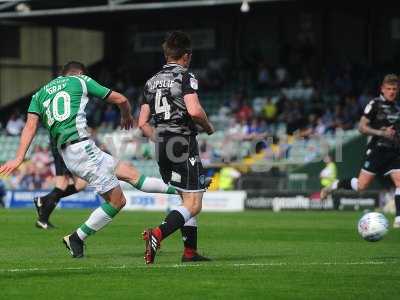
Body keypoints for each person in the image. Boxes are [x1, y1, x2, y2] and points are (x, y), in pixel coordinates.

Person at [0, 61, 178, 258]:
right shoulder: (80, 80)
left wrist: (18, 158)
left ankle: (182, 189)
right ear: (79, 73)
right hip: (82, 149)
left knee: (132, 175)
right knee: (117, 201)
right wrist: (126, 115)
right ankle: (77, 237)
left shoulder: (39, 94)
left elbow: (30, 127)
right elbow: (121, 99)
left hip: (71, 152)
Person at [138, 31, 215, 264]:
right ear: (186, 56)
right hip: (182, 142)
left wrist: (160, 139)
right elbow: (194, 111)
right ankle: (157, 234)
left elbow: (142, 123)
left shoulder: (150, 81)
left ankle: (189, 253)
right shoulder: (185, 76)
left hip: (163, 145)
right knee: (194, 204)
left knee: (186, 197)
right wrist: (208, 126)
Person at [320, 74, 400, 228]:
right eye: (388, 89)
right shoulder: (374, 104)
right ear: (382, 89)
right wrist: (381, 133)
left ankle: (398, 219)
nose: (391, 92)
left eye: (394, 89)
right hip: (376, 150)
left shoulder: (397, 108)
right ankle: (332, 186)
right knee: (362, 186)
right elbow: (361, 127)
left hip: (393, 152)